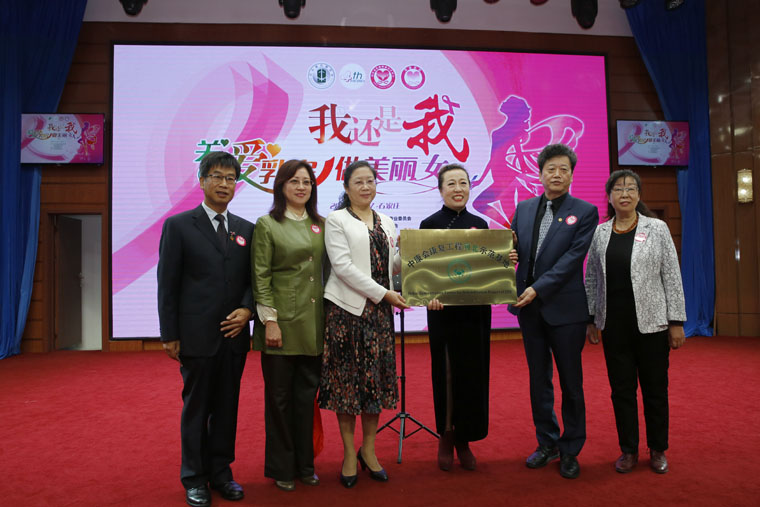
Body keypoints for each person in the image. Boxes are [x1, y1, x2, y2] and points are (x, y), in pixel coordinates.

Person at [157, 151, 254, 507]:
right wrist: (170, 334)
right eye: (216, 176)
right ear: (201, 181)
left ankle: (221, 473)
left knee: (227, 408)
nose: (224, 184)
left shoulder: (246, 229)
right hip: (196, 337)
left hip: (234, 337)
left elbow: (253, 280)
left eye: (230, 178)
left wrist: (248, 309)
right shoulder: (179, 225)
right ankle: (195, 478)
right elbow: (167, 284)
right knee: (197, 409)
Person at [585, 169, 686, 475]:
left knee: (655, 390)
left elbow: (672, 275)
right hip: (614, 326)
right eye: (618, 189)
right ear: (609, 197)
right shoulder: (601, 233)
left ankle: (657, 449)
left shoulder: (657, 228)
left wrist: (676, 320)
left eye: (630, 188)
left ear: (639, 195)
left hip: (652, 325)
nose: (624, 194)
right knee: (622, 391)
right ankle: (628, 449)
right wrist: (591, 318)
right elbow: (592, 278)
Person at [509, 143, 598, 479]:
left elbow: (572, 260)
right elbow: (515, 250)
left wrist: (538, 288)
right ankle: (546, 442)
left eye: (564, 169)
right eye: (551, 169)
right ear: (540, 173)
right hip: (529, 309)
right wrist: (507, 255)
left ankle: (571, 448)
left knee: (571, 382)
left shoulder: (585, 211)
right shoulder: (524, 208)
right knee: (539, 381)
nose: (557, 174)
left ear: (572, 175)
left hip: (566, 310)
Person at [318, 160, 409, 488]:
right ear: (346, 187)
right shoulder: (336, 219)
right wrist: (385, 294)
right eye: (358, 181)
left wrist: (408, 260)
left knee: (374, 385)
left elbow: (391, 266)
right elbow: (342, 267)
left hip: (379, 316)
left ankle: (368, 450)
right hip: (346, 312)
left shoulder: (387, 220)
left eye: (370, 181)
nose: (366, 187)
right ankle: (347, 454)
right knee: (347, 387)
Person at [251, 160, 325, 491]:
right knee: (279, 401)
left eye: (307, 182)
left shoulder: (321, 224)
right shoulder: (268, 224)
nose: (301, 187)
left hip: (314, 325)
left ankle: (305, 465)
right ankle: (282, 467)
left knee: (306, 399)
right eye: (294, 181)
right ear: (281, 186)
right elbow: (260, 276)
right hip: (280, 324)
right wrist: (270, 320)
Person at [420, 164, 491, 471]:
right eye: (451, 184)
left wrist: (507, 259)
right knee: (447, 374)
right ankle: (447, 435)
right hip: (443, 313)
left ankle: (466, 437)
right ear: (441, 190)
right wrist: (428, 295)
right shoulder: (428, 225)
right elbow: (421, 270)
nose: (458, 188)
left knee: (472, 374)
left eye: (463, 183)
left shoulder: (481, 224)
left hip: (475, 312)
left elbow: (488, 268)